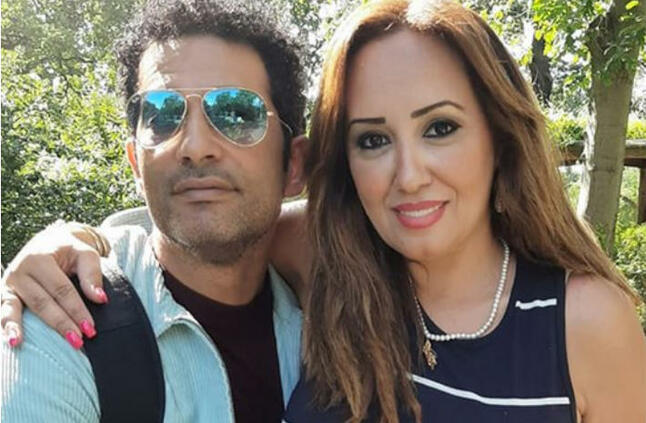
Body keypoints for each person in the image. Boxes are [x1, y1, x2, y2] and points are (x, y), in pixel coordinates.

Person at [3, 0, 646, 422]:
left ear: (499, 136)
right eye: (372, 140)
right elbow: (194, 226)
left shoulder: (584, 322)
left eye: (440, 128)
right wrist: (70, 242)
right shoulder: (335, 259)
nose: (409, 174)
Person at [0, 0, 309, 422]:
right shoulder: (59, 326)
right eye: (163, 115)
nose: (195, 147)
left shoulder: (329, 329)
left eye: (237, 113)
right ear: (135, 163)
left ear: (294, 165)